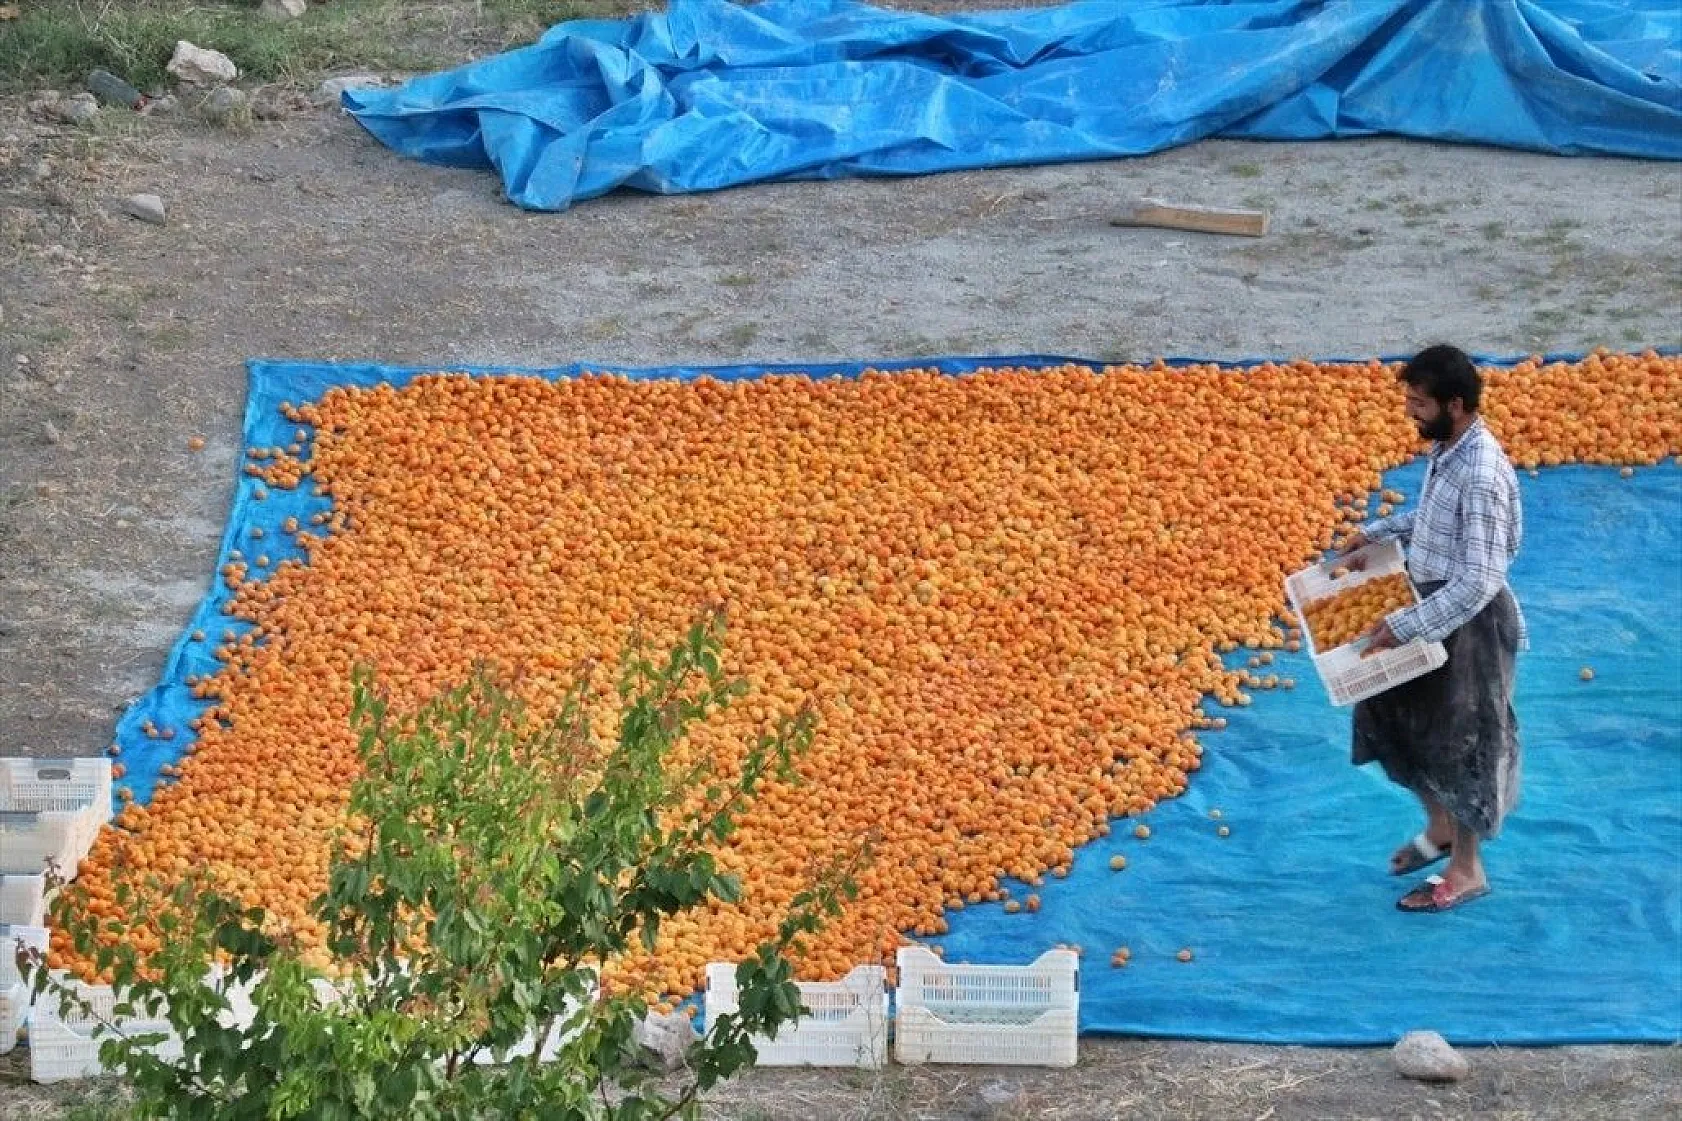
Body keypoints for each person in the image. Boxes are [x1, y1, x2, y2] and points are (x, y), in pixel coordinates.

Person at [1337, 344, 1525, 914]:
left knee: (1464, 744)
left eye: (1419, 403)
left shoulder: (1483, 474)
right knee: (1383, 713)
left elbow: (1480, 579)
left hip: (1469, 623)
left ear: (1456, 404)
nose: (1411, 412)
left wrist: (1407, 624)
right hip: (1431, 605)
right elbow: (1437, 520)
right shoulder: (1449, 449)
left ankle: (1466, 869)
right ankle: (1440, 825)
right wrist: (1379, 533)